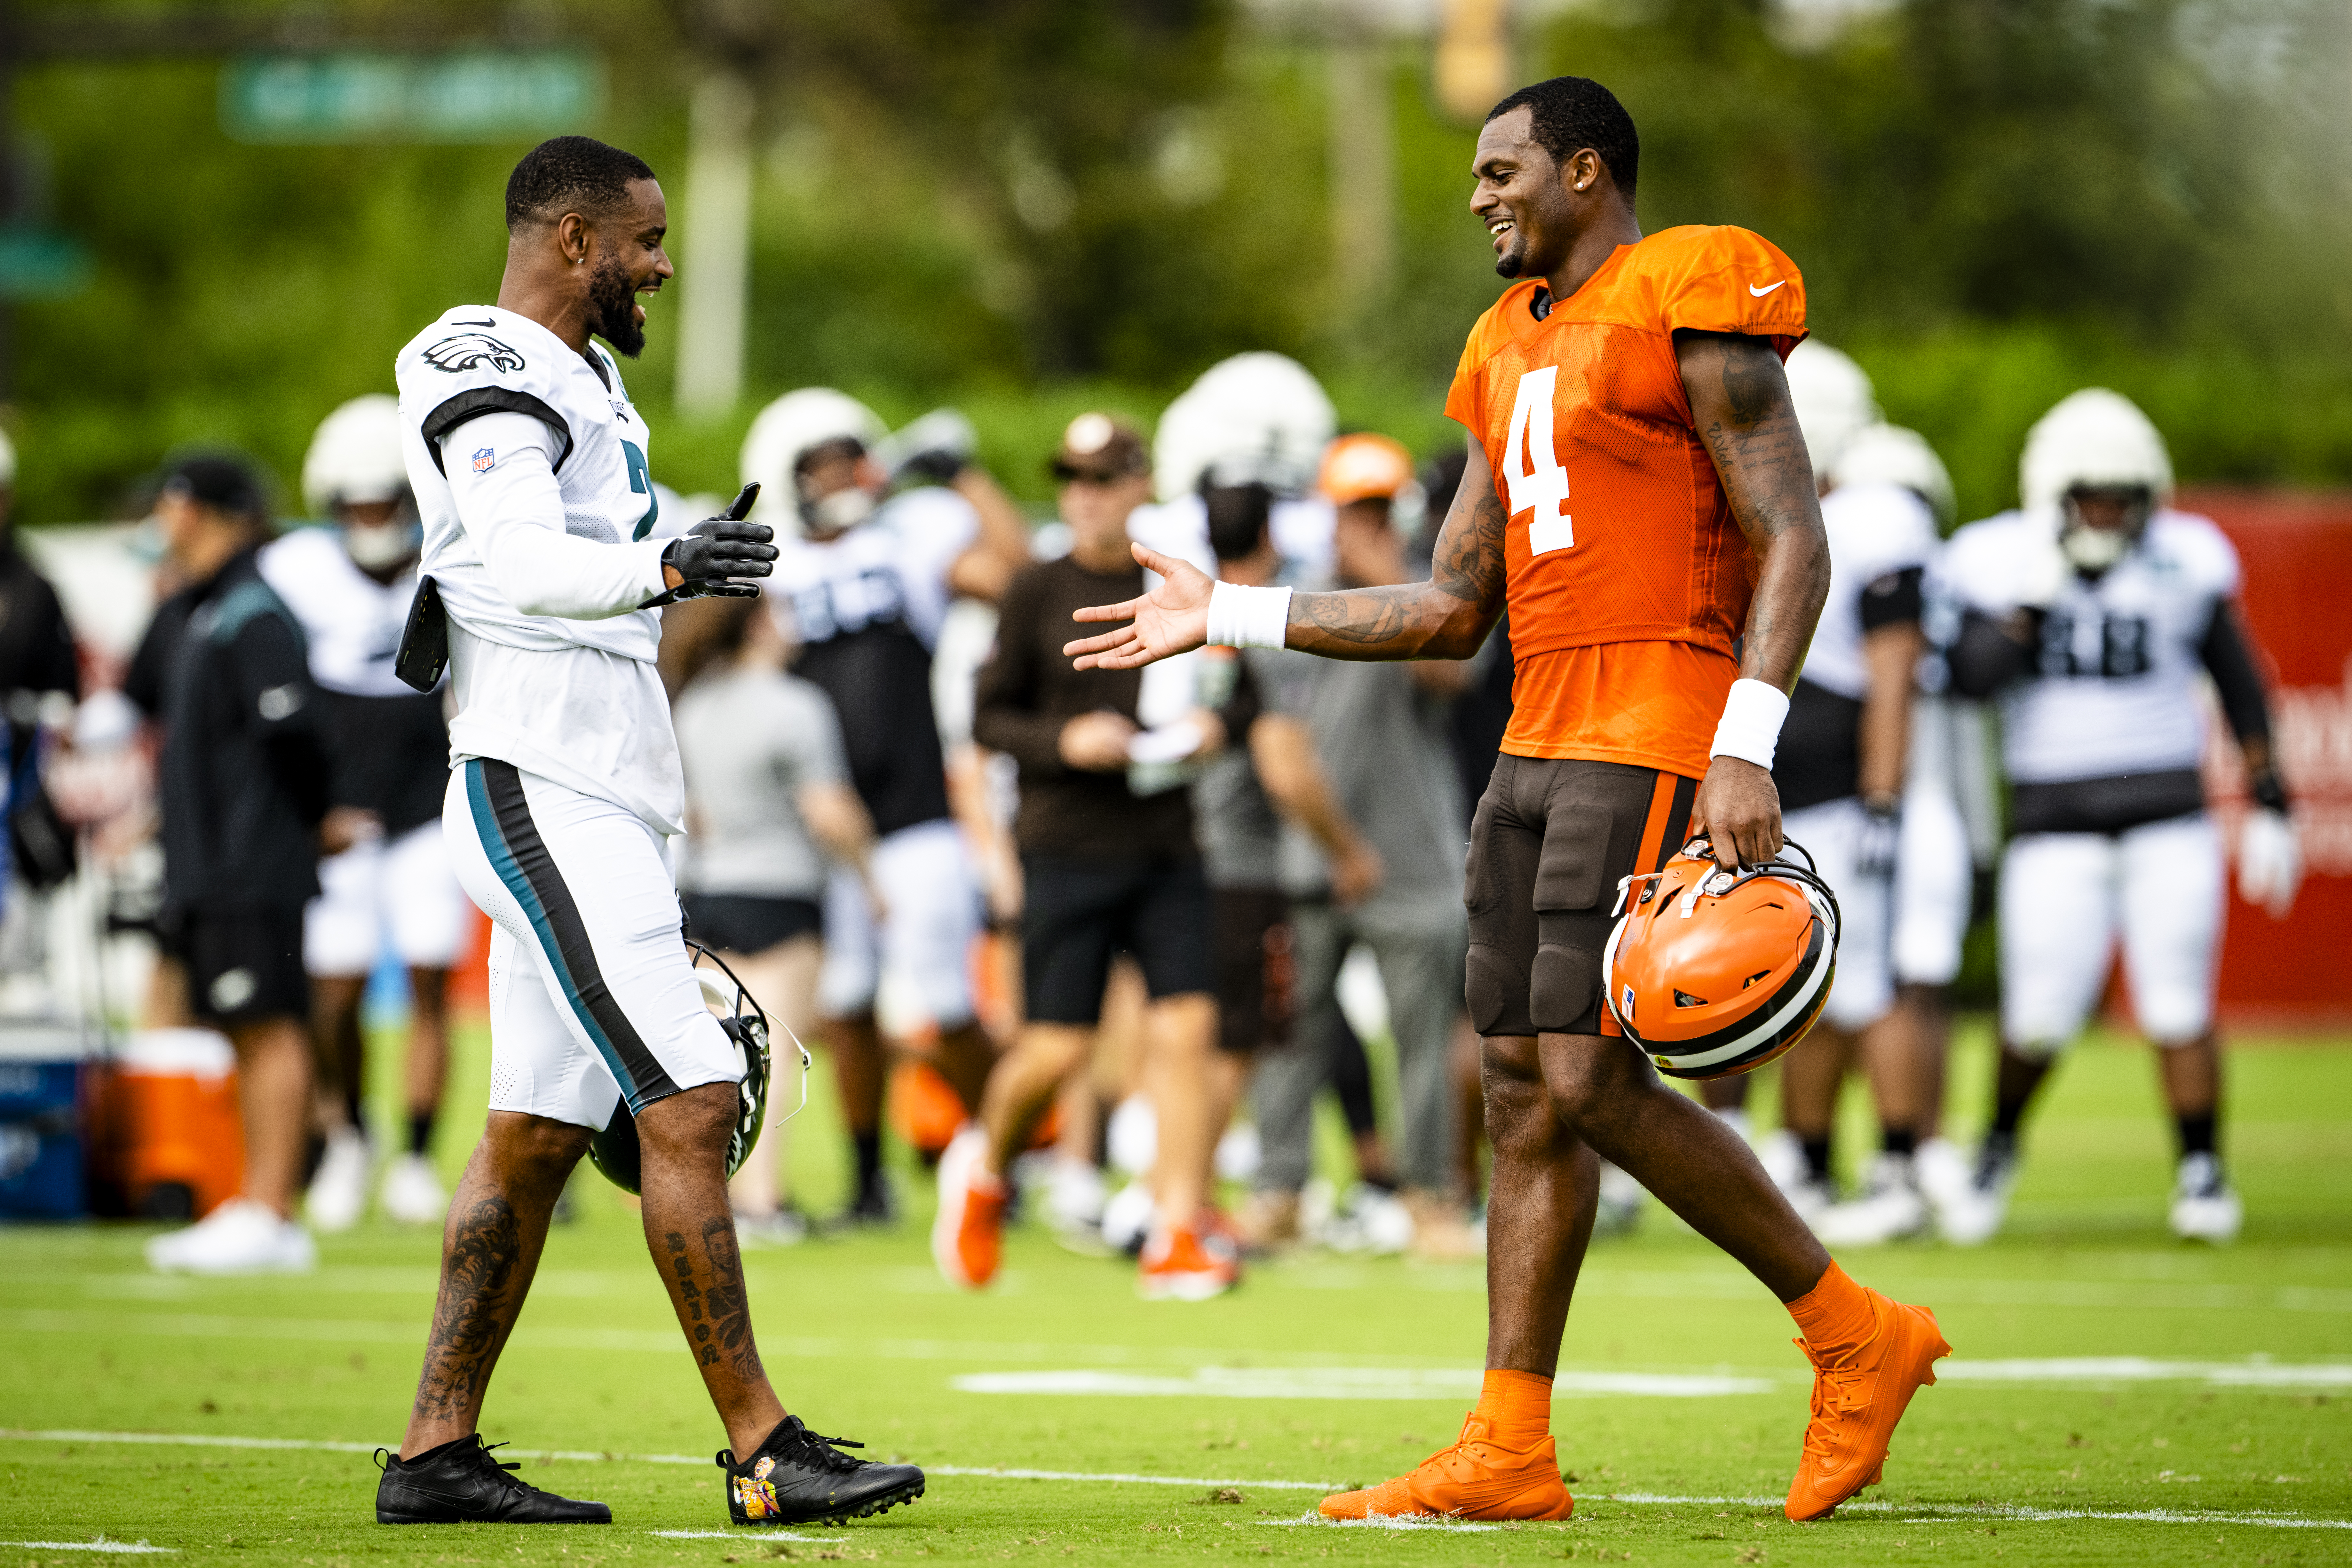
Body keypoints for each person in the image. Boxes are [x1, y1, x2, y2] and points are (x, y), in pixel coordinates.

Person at [1064, 76, 1947, 1525]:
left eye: (1501, 170)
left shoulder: (1690, 291)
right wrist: (1231, 613)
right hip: (1536, 737)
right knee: (1523, 1097)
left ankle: (1854, 1333)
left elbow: (1797, 535)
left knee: (1592, 1074)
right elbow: (1450, 604)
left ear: (1584, 170)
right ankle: (1511, 1445)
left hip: (1657, 722)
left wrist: (1748, 737)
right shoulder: (1499, 345)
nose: (1479, 196)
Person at [375, 134, 923, 1529]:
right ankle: (763, 1447)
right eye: (642, 240)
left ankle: (434, 1452)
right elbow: (513, 553)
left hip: (596, 790)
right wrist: (663, 565)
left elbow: (599, 553)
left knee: (537, 1135)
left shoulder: (591, 381)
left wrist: (695, 552)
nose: (659, 264)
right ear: (570, 241)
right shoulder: (473, 360)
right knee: (686, 1094)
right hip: (534, 782)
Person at [1936, 388, 2299, 1248]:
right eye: (2089, 495)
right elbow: (1970, 678)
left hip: (2167, 814)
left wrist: (2269, 787)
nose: (2107, 512)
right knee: (2037, 1014)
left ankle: (2202, 1169)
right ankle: (1995, 1149)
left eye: (2121, 496)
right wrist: (2036, 597)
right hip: (2053, 823)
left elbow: (2236, 674)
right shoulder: (2001, 559)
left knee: (2178, 1004)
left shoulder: (2187, 558)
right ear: (2051, 493)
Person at [938, 412, 1238, 1298]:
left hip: (1167, 842)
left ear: (1140, 484)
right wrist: (1069, 738)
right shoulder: (1034, 585)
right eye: (1072, 479)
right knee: (1054, 1050)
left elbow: (1236, 689)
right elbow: (988, 717)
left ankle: (1176, 1226)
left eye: (1104, 478)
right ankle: (985, 1165)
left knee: (1187, 1032)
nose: (1087, 495)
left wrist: (1216, 726)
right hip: (1067, 845)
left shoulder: (1177, 578)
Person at [740, 391, 1029, 1227]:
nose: (841, 477)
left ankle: (997, 1153)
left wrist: (966, 476)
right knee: (846, 1003)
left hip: (913, 810)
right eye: (819, 465)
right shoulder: (771, 562)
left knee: (941, 1003)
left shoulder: (907, 537)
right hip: (825, 825)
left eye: (848, 458)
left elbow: (1012, 575)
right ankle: (870, 1177)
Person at [1697, 344, 1937, 1239]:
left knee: (1844, 978)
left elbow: (1891, 671)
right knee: (1730, 968)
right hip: (1745, 779)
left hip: (1830, 790)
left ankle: (1861, 1158)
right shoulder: (1745, 504)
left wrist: (1880, 791)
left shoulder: (1874, 518)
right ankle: (1765, 1148)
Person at [1245, 432, 1480, 1259]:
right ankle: (1277, 1190)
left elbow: (1449, 679)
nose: (1366, 523)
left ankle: (1431, 1196)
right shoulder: (1293, 601)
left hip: (1412, 858)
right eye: (1355, 509)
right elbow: (1280, 747)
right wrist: (1339, 846)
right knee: (1288, 1033)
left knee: (1421, 1039)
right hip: (1316, 858)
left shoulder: (1435, 595)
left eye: (1379, 508)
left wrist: (1395, 584)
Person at [263, 395, 473, 1232]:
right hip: (337, 813)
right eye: (357, 503)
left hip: (425, 805)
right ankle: (347, 1133)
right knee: (335, 988)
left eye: (387, 499)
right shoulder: (295, 574)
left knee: (428, 975)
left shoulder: (453, 561)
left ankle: (417, 1154)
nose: (374, 518)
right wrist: (310, 810)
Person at [132, 454, 343, 1275]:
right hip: (219, 864)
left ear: (191, 510)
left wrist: (314, 819)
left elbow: (294, 732)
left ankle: (271, 1209)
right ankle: (254, 1203)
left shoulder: (252, 611)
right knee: (246, 1029)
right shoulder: (209, 606)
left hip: (252, 862)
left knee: (269, 1029)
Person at [666, 594, 879, 1244]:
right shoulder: (796, 707)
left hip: (708, 892)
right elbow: (829, 811)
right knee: (776, 1052)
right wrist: (872, 880)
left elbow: (691, 814)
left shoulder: (693, 705)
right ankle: (762, 1202)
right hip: (783, 892)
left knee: (719, 1054)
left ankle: (711, 1196)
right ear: (757, 624)